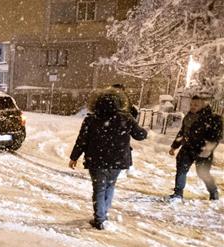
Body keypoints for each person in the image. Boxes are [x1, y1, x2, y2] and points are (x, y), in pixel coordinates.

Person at [69, 89, 148, 229]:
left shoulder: (91, 119)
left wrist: (74, 157)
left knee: (99, 188)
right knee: (110, 185)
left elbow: (82, 140)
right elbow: (140, 135)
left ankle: (100, 218)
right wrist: (143, 130)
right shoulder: (126, 118)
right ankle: (103, 214)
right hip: (117, 160)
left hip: (96, 160)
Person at [167, 94, 223, 201]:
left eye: (196, 105)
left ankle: (213, 192)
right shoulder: (188, 116)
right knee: (181, 170)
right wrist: (174, 147)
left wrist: (208, 148)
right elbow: (182, 133)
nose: (192, 107)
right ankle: (178, 193)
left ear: (203, 105)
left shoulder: (213, 118)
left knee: (203, 173)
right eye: (191, 104)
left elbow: (216, 136)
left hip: (202, 150)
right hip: (187, 148)